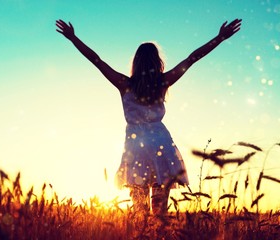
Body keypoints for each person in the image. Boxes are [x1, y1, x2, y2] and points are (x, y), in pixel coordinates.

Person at [56, 19, 242, 215]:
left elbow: (97, 61)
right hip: (161, 143)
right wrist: (220, 38)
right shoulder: (163, 82)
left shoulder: (124, 84)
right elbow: (192, 58)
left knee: (140, 212)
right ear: (157, 62)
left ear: (135, 63)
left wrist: (73, 38)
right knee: (159, 213)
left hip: (136, 145)